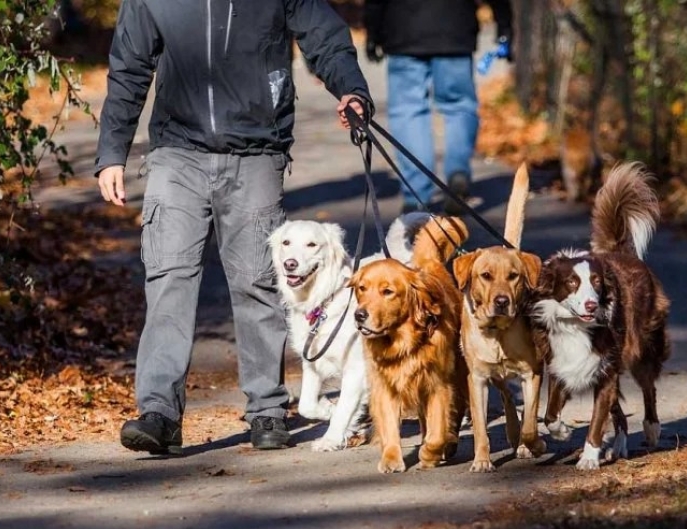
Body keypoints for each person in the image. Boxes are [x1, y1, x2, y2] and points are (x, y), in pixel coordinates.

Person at [96, 0, 371, 454]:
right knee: (168, 279)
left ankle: (266, 409)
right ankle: (159, 413)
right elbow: (129, 65)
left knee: (257, 281)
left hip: (256, 150)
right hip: (176, 153)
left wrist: (353, 91)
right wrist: (112, 151)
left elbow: (324, 36)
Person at [364, 0, 513, 214]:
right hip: (454, 27)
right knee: (459, 106)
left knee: (408, 111)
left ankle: (416, 192)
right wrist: (504, 23)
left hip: (403, 30)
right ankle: (458, 171)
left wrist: (373, 30)